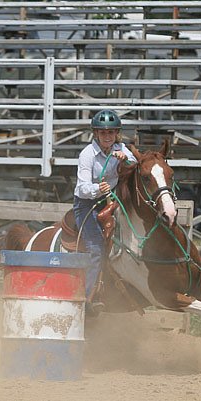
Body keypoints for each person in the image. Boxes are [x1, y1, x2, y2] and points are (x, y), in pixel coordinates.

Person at [74, 109, 137, 313]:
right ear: (96, 134)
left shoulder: (121, 148)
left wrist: (124, 159)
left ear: (116, 134)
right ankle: (87, 297)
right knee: (95, 248)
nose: (107, 136)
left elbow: (135, 162)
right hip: (86, 203)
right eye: (103, 133)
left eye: (111, 133)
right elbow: (82, 187)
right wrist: (96, 189)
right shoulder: (87, 155)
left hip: (111, 201)